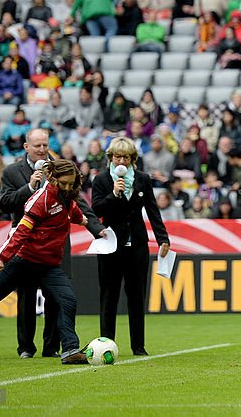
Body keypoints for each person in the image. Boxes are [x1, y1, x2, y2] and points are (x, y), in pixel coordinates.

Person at [0, 160, 91, 365]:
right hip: (25, 260)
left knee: (68, 300)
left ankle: (69, 350)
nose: (68, 187)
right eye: (64, 183)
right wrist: (3, 257)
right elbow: (21, 232)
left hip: (50, 266)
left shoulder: (68, 196)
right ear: (53, 179)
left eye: (71, 183)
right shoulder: (40, 201)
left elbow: (72, 212)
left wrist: (84, 221)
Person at [0, 128, 104, 358]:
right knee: (26, 296)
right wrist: (28, 188)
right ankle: (26, 347)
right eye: (37, 145)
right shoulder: (12, 171)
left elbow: (78, 203)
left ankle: (51, 347)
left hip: (57, 244)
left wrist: (96, 227)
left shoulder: (61, 169)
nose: (42, 150)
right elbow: (4, 204)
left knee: (56, 297)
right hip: (27, 243)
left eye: (45, 145)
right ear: (26, 147)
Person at [91, 137, 170, 356]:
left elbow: (153, 210)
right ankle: (107, 344)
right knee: (109, 295)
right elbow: (96, 210)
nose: (122, 161)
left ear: (133, 159)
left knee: (136, 296)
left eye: (126, 157)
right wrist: (114, 194)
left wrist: (163, 238)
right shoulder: (101, 180)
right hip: (110, 245)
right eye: (118, 156)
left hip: (137, 245)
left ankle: (138, 346)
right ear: (111, 158)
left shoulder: (143, 179)